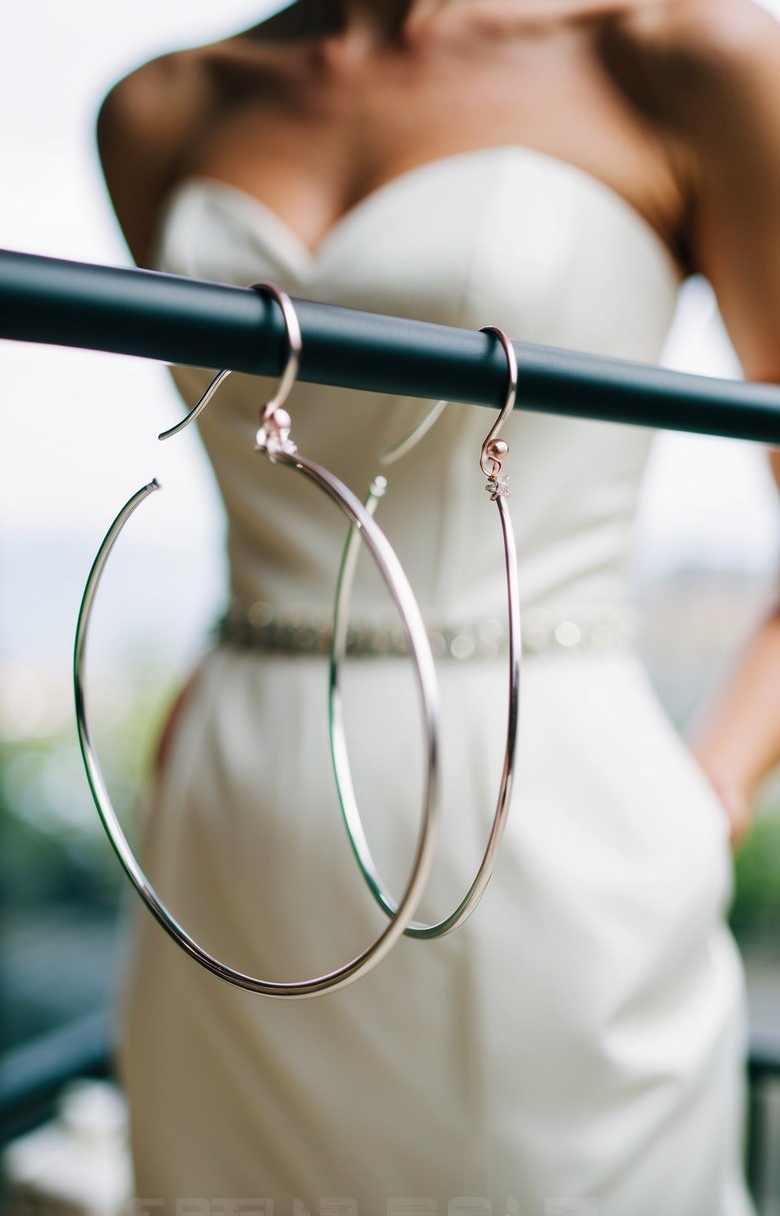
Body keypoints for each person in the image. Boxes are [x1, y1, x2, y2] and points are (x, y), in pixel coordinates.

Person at [96, 1, 780, 1212]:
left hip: (554, 826)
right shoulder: (165, 104)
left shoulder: (684, 59)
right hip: (226, 826)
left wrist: (711, 787)